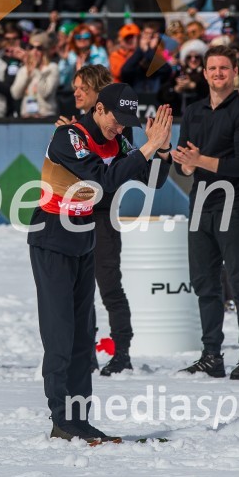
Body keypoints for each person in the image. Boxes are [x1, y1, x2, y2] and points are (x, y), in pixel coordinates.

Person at [28, 82, 172, 442]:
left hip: (84, 237)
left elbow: (150, 180)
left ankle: (81, 419)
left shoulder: (120, 142)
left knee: (81, 337)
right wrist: (148, 148)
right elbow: (103, 179)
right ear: (99, 110)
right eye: (116, 119)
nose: (120, 128)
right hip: (51, 237)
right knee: (60, 335)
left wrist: (164, 151)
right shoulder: (69, 137)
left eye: (127, 122)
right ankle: (62, 420)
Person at [56, 65, 172, 376]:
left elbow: (152, 180)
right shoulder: (72, 131)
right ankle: (84, 352)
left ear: (98, 95)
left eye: (82, 88)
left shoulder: (118, 130)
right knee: (75, 293)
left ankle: (121, 352)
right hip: (69, 220)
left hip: (103, 217)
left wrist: (162, 150)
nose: (76, 93)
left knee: (109, 287)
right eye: (75, 88)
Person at [171, 45, 239, 380]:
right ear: (204, 73)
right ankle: (212, 354)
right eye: (212, 68)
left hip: (234, 202)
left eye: (223, 68)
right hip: (200, 201)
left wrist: (198, 161)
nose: (217, 74)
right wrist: (184, 164)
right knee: (204, 282)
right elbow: (182, 164)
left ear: (234, 72)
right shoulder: (194, 112)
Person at [11, 31, 59, 118]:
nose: (34, 51)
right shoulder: (24, 69)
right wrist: (27, 74)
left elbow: (45, 93)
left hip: (46, 117)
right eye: (31, 47)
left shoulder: (52, 68)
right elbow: (15, 94)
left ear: (45, 51)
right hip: (26, 117)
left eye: (39, 48)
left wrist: (36, 70)